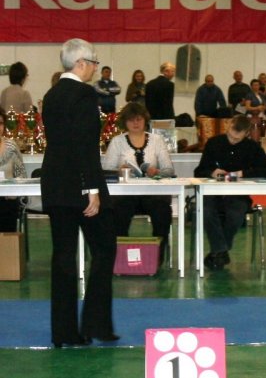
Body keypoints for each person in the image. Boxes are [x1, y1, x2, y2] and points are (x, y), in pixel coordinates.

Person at [40, 38, 118, 348]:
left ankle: (63, 333)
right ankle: (95, 323)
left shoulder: (51, 94)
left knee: (62, 257)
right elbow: (85, 144)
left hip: (55, 184)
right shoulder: (85, 95)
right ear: (81, 63)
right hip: (81, 185)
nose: (96, 68)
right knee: (104, 248)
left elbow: (61, 142)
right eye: (94, 62)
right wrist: (92, 189)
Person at [194, 115, 266, 270]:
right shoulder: (213, 143)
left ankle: (218, 252)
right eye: (231, 135)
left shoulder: (253, 147)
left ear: (246, 134)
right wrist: (212, 172)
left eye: (237, 139)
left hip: (238, 194)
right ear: (229, 125)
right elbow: (199, 171)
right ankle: (221, 251)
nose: (232, 140)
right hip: (213, 193)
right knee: (206, 210)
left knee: (236, 213)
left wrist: (243, 173)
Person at [103, 103, 175, 263]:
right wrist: (119, 170)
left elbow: (169, 170)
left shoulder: (157, 140)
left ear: (145, 120)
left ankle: (157, 256)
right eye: (131, 120)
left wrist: (156, 172)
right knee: (118, 213)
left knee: (162, 212)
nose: (135, 123)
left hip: (153, 194)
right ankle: (120, 256)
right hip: (125, 195)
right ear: (125, 122)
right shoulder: (117, 141)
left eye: (139, 119)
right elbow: (107, 170)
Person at [0, 107, 26, 231]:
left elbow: (21, 175)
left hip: (7, 201)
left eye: (0, 123)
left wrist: (14, 193)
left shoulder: (11, 146)